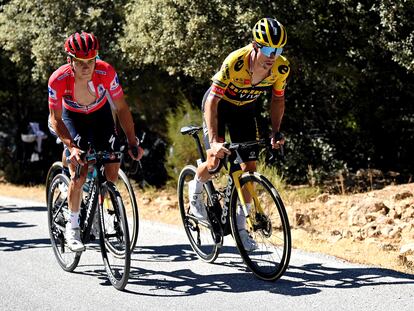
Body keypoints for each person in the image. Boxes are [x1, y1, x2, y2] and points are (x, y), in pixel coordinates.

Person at [189, 17, 290, 250]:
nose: (272, 55)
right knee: (215, 162)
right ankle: (195, 191)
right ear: (255, 46)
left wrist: (275, 131)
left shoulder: (281, 67)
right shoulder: (235, 62)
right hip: (220, 106)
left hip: (245, 110)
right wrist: (214, 141)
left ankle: (241, 229)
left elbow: (278, 99)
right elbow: (212, 101)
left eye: (278, 49)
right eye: (267, 48)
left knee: (249, 168)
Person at [48, 31, 143, 251]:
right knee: (80, 171)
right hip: (72, 117)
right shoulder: (58, 79)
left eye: (90, 60)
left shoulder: (106, 71)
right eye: (80, 62)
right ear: (69, 60)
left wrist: (132, 141)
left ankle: (98, 209)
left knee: (111, 165)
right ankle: (73, 227)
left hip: (99, 114)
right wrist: (71, 147)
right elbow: (55, 118)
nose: (86, 66)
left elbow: (121, 108)